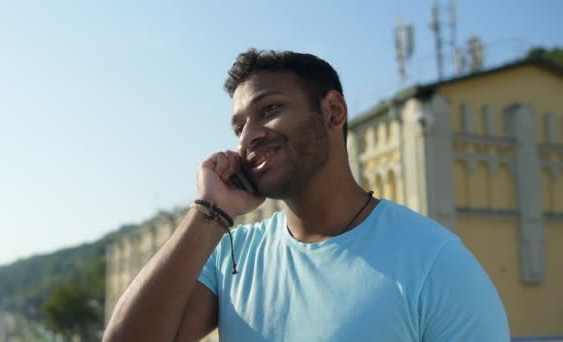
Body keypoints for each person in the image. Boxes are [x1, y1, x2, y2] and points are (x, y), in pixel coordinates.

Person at [103, 49, 510, 342]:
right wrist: (209, 211)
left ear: (333, 112)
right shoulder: (233, 254)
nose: (248, 138)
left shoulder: (435, 262)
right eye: (238, 127)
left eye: (269, 109)